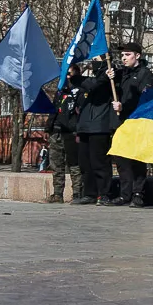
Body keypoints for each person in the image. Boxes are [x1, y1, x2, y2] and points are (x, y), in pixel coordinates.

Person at [110, 42, 153, 208]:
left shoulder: (145, 74)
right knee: (121, 159)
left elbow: (147, 98)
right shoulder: (122, 74)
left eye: (128, 55)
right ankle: (125, 194)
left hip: (137, 122)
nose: (124, 58)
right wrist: (110, 75)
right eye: (122, 55)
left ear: (137, 56)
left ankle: (138, 194)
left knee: (137, 159)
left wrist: (125, 106)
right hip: (121, 123)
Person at [75, 58, 117, 205]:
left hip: (100, 126)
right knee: (85, 163)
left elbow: (95, 85)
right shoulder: (93, 78)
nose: (94, 61)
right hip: (85, 126)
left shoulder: (111, 77)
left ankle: (103, 193)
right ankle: (89, 193)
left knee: (100, 162)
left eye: (97, 58)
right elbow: (86, 84)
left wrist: (106, 75)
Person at [46, 64, 83, 204]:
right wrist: (49, 128)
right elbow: (54, 110)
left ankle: (77, 193)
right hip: (56, 132)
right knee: (56, 165)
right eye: (65, 74)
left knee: (74, 164)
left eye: (69, 74)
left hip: (71, 132)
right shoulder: (60, 91)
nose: (67, 77)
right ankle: (57, 194)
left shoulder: (80, 91)